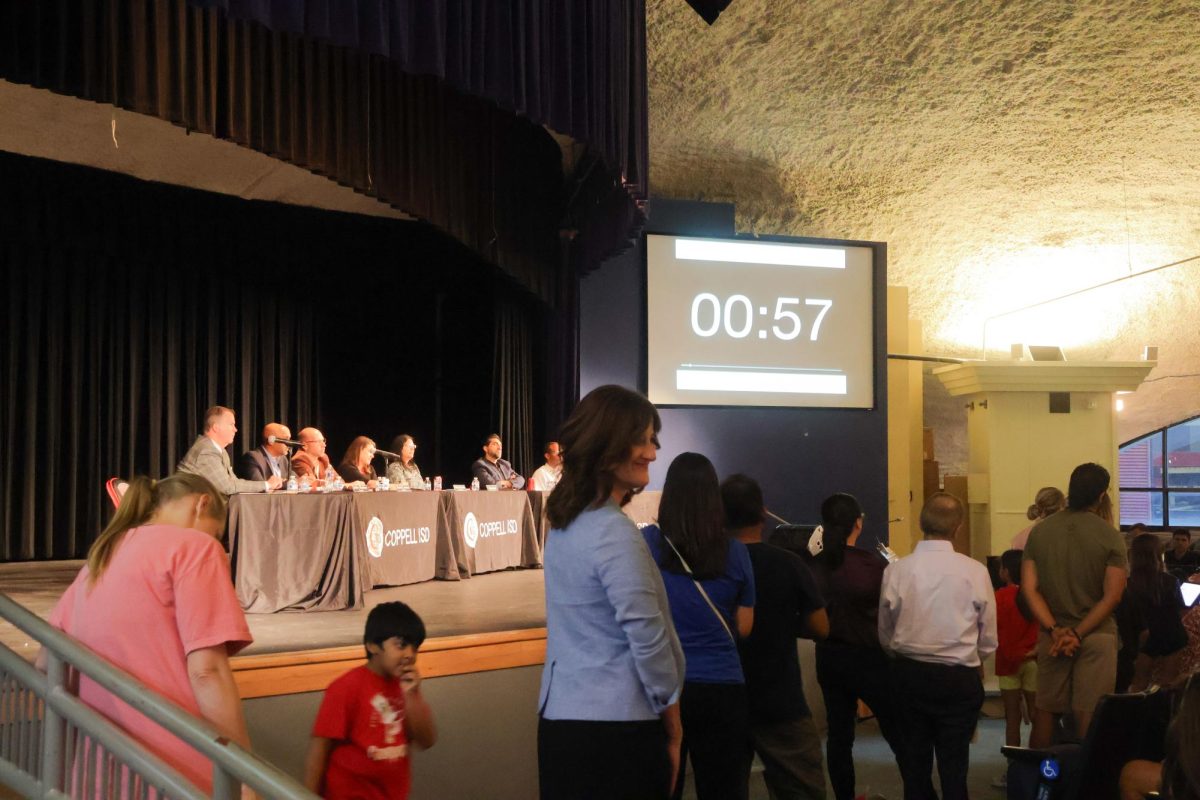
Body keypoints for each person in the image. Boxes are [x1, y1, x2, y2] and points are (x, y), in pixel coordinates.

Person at [44, 473, 252, 792]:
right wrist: (243, 769)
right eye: (216, 531)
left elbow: (46, 663)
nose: (215, 539)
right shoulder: (195, 548)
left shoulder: (101, 557)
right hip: (177, 767)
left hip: (99, 768)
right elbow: (207, 672)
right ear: (202, 503)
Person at [538, 385, 685, 800]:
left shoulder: (565, 524)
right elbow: (648, 639)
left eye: (651, 440)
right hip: (619, 734)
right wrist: (673, 725)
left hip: (561, 725)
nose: (652, 453)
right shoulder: (613, 532)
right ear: (605, 443)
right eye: (640, 440)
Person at [642, 453, 756, 800]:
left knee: (665, 785)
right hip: (723, 687)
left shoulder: (647, 543)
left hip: (665, 686)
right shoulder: (735, 552)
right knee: (723, 789)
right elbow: (745, 626)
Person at [878, 492, 997, 800]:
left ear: (920, 524)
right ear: (958, 528)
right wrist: (971, 655)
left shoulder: (896, 570)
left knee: (914, 765)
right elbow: (988, 637)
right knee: (955, 765)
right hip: (958, 678)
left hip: (908, 676)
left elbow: (885, 632)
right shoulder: (975, 571)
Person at [724, 473, 829, 800]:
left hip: (725, 697)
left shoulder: (711, 565)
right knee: (801, 789)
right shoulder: (788, 564)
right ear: (763, 513)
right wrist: (784, 622)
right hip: (780, 698)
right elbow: (821, 628)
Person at [1021, 462, 1128, 747]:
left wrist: (1056, 630)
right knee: (1088, 714)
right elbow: (1113, 596)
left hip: (1052, 637)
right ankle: (1083, 785)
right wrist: (1078, 634)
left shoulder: (1040, 532)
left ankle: (1037, 781)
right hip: (1097, 635)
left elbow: (1030, 589)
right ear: (1102, 494)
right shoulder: (1110, 536)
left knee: (1045, 710)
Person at [808, 492, 902, 800]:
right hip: (868, 657)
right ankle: (918, 790)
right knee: (897, 730)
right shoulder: (873, 565)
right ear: (857, 524)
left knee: (839, 737)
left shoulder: (816, 565)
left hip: (830, 658)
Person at [304, 601, 437, 799]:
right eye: (401, 644)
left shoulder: (406, 688)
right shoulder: (345, 688)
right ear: (373, 645)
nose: (409, 654)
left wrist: (412, 695)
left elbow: (427, 740)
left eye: (415, 647)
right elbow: (319, 751)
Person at [1125, 532, 1188, 690]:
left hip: (1143, 636)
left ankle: (1138, 712)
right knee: (1167, 684)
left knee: (1139, 682)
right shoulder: (1170, 581)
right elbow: (1180, 610)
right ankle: (1164, 712)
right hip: (1171, 635)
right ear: (1158, 555)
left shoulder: (1128, 584)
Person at [176, 405, 281, 494]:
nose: (235, 429)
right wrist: (267, 485)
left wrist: (266, 485)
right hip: (186, 514)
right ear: (216, 427)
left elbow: (233, 482)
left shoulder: (220, 451)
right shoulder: (206, 451)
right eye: (231, 424)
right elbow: (227, 487)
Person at [995, 549, 1038, 757]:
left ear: (1005, 572)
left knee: (1012, 717)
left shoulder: (999, 597)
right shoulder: (1034, 595)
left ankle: (1014, 766)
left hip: (1007, 662)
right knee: (1038, 714)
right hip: (1034, 659)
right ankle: (1039, 761)